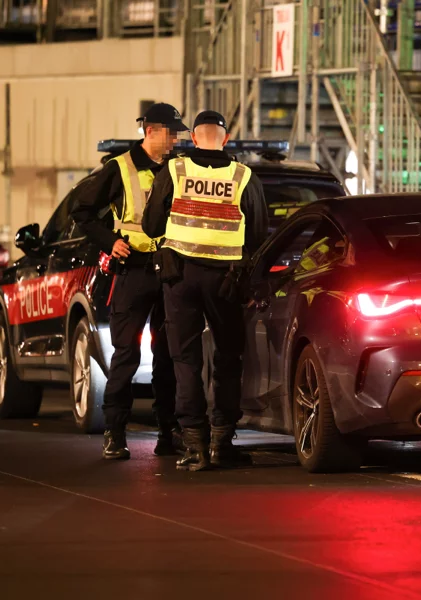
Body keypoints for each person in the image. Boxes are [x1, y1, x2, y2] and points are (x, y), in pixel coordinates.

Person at [142, 110, 269, 471]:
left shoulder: (175, 171)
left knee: (185, 360)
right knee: (228, 358)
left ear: (194, 138)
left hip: (180, 277)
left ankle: (194, 445)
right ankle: (221, 443)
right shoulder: (243, 176)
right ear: (226, 139)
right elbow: (258, 234)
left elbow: (151, 226)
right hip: (226, 280)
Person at [71, 102, 188, 460]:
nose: (175, 140)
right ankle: (115, 433)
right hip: (134, 270)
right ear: (151, 131)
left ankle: (168, 432)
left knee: (168, 355)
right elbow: (81, 211)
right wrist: (110, 242)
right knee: (126, 354)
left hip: (169, 270)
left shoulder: (178, 168)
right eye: (171, 133)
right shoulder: (119, 168)